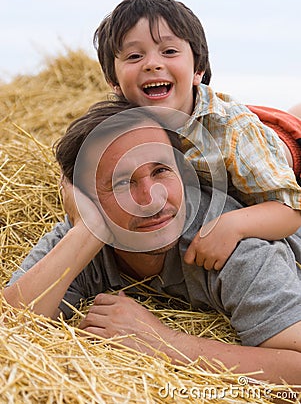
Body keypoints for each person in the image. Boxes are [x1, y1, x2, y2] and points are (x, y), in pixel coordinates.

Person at [4, 99, 301, 386]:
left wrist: (161, 341)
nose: (152, 199)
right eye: (122, 182)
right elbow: (10, 327)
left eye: (160, 171)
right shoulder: (85, 233)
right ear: (88, 202)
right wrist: (89, 229)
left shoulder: (234, 249)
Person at [93, 0, 301, 271]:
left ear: (198, 69)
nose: (152, 63)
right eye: (134, 55)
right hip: (248, 121)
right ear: (113, 80)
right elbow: (77, 165)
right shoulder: (116, 124)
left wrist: (233, 225)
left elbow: (290, 209)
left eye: (168, 51)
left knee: (290, 121)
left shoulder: (233, 131)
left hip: (283, 143)